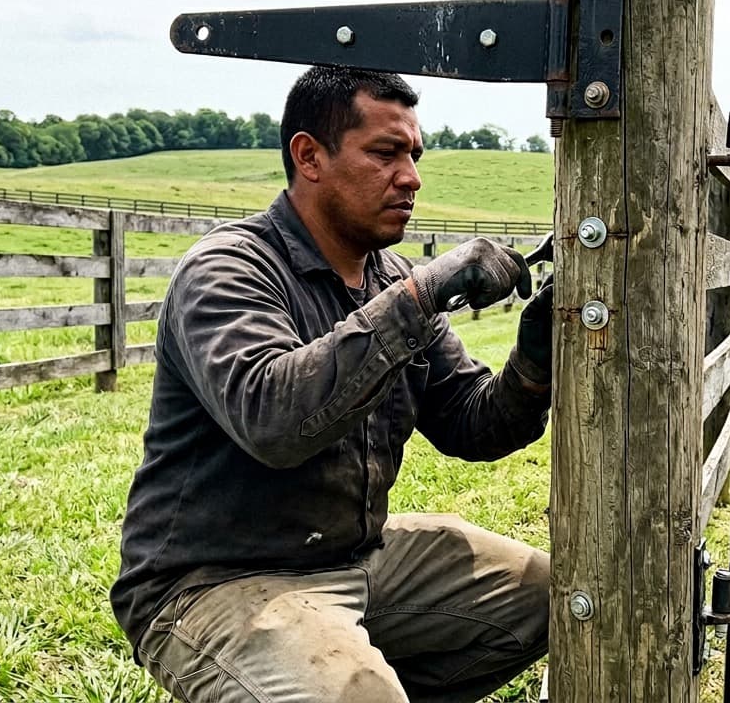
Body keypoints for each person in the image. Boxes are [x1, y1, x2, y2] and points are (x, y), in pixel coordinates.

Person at [111, 66, 555, 702]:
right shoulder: (228, 268)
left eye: (414, 155)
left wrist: (534, 361)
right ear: (309, 156)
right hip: (213, 581)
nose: (411, 177)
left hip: (357, 558)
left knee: (554, 596)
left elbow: (474, 423)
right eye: (384, 153)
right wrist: (425, 291)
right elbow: (275, 421)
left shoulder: (388, 280)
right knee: (359, 694)